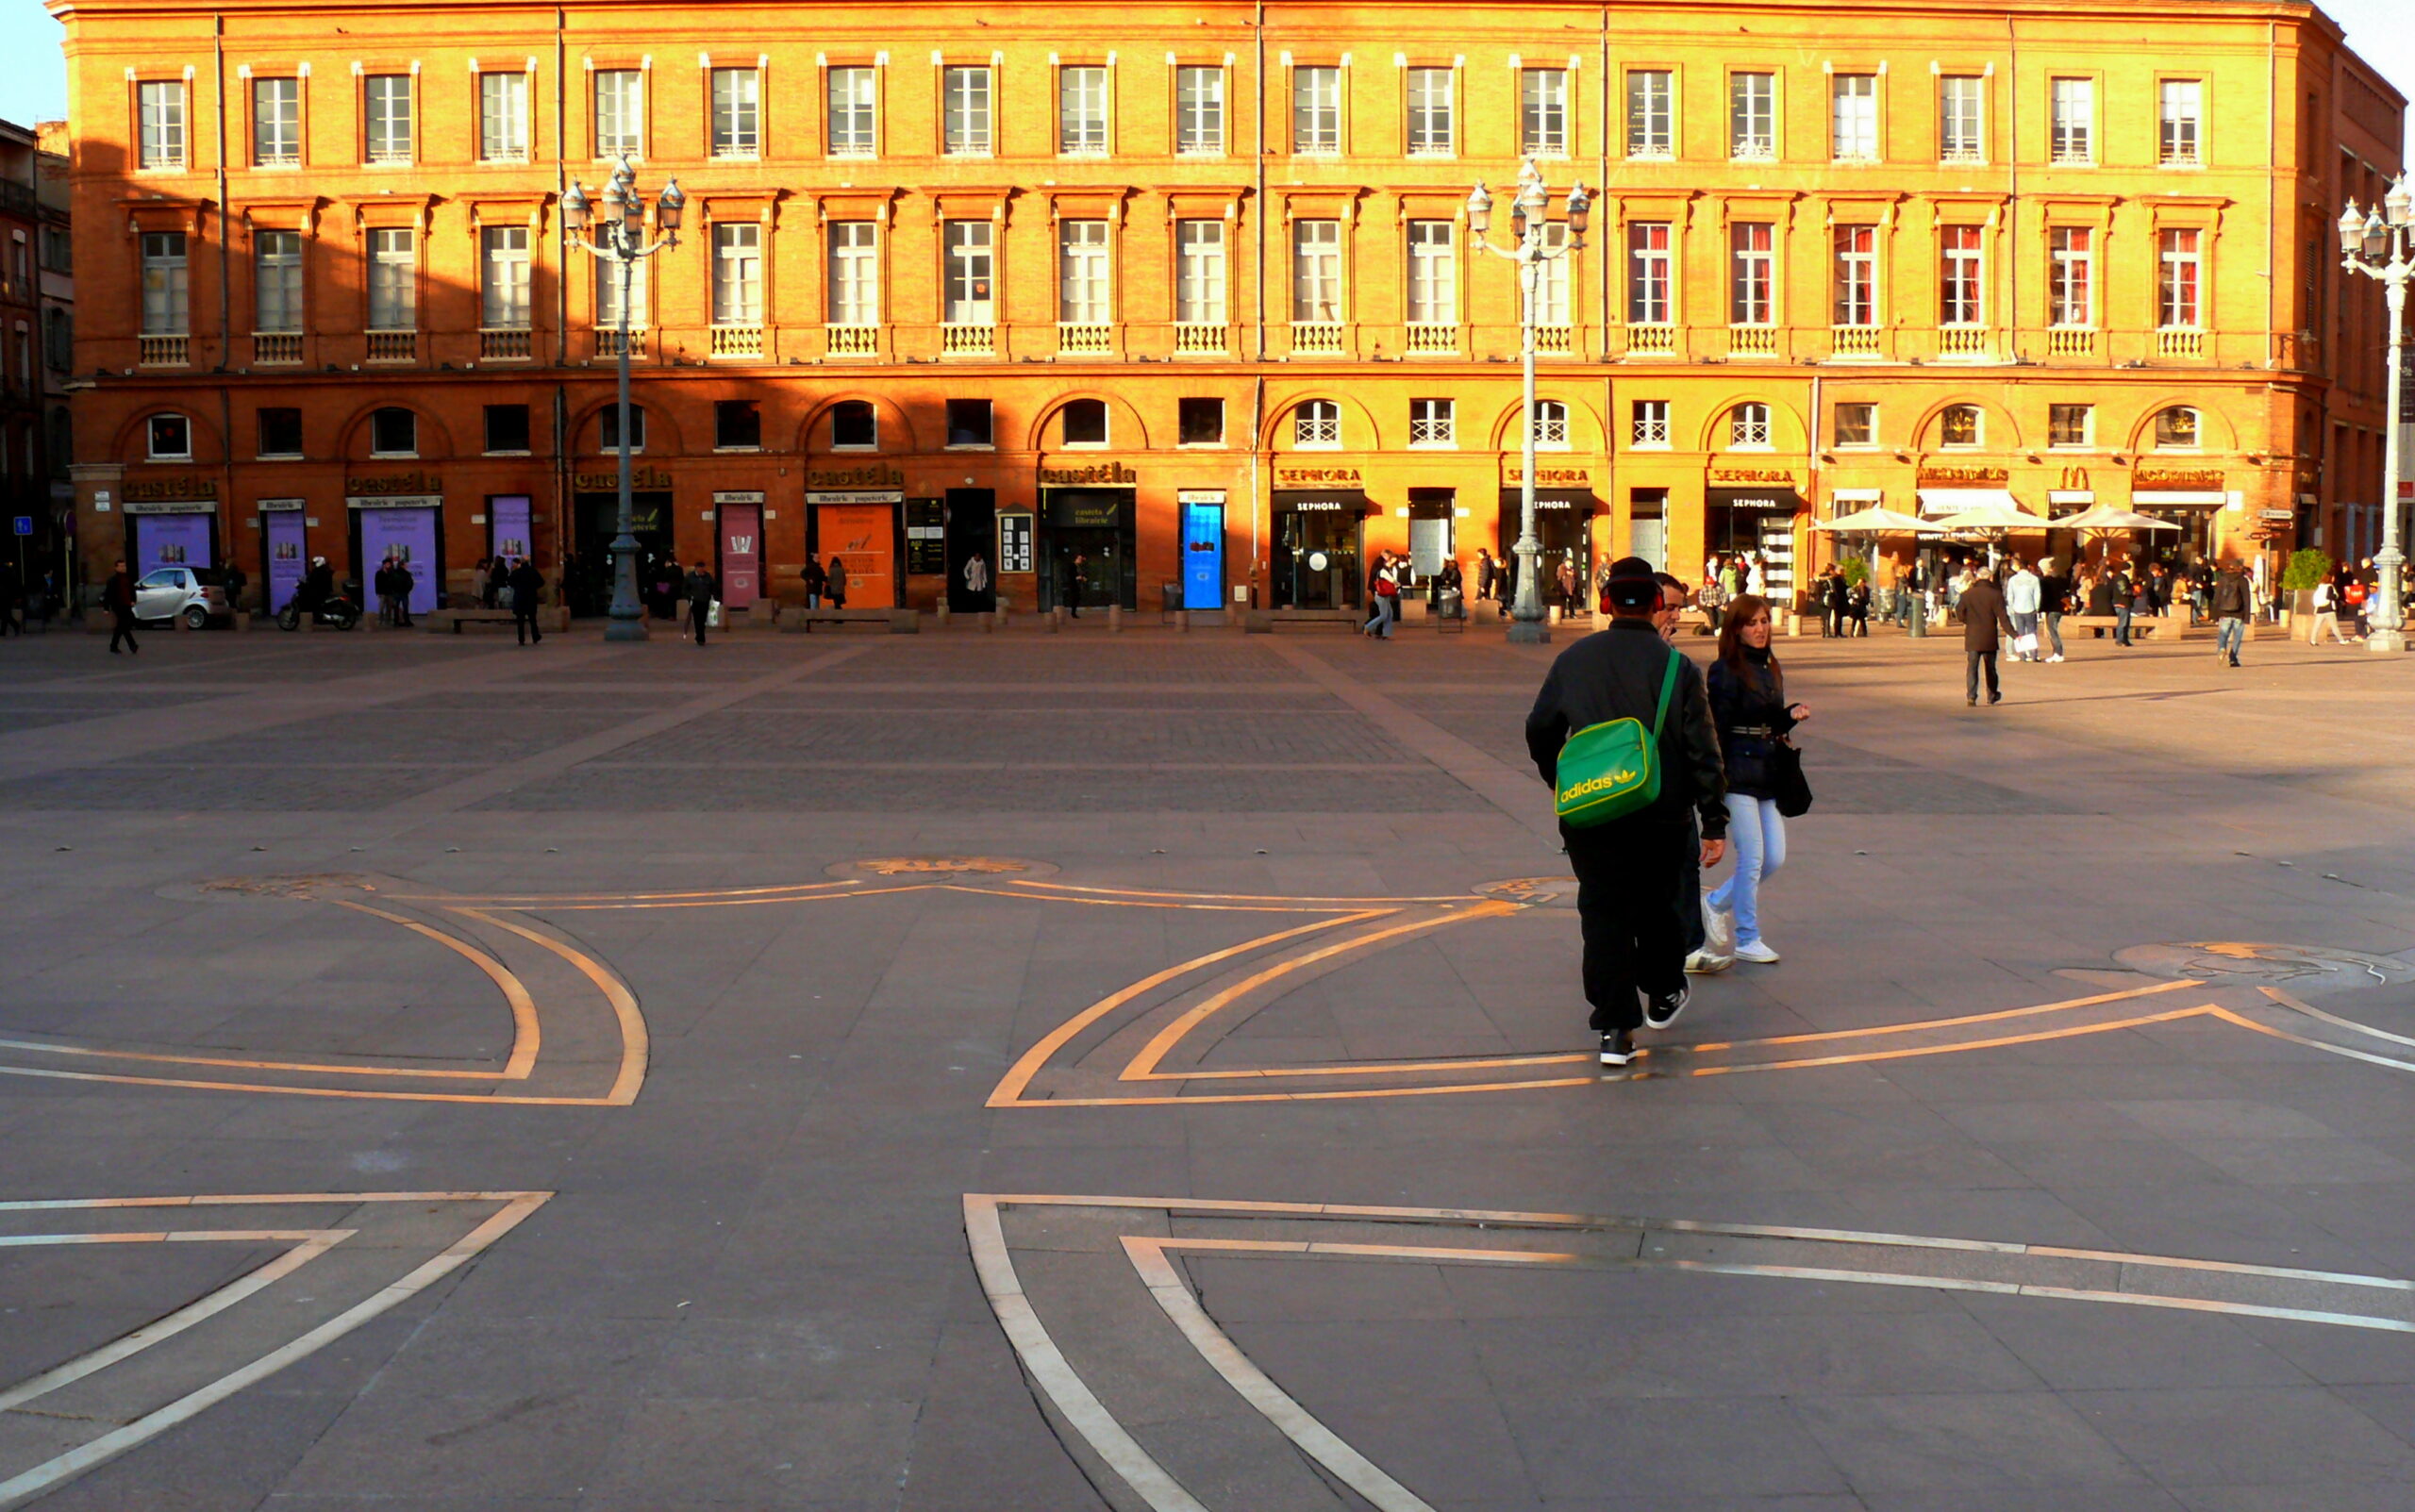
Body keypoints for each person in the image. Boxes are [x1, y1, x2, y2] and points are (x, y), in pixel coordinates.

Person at [1526, 557, 1727, 1070]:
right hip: (1662, 810)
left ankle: (1615, 1030)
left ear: (1606, 602)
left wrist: (1560, 778)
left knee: (1603, 913)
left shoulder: (1574, 659)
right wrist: (1714, 820)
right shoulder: (1677, 667)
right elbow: (1703, 749)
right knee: (1660, 904)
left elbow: (1540, 728)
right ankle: (1662, 989)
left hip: (1591, 809)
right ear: (1657, 603)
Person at [1704, 594, 1808, 965]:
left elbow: (1770, 720)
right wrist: (1716, 777)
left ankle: (1715, 903)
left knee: (1773, 857)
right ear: (1736, 629)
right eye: (1752, 623)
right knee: (1752, 857)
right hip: (1737, 769)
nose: (1760, 629)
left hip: (1766, 768)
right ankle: (1748, 937)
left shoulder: (1769, 666)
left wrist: (1790, 716)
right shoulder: (1725, 670)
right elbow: (1717, 725)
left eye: (1764, 621)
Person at [1654, 574, 1728, 977]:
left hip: (1667, 789)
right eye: (1669, 607)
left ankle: (1688, 947)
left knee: (1684, 870)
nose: (1676, 617)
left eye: (1679, 608)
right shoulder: (1672, 667)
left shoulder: (1675, 662)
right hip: (1639, 790)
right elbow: (1701, 744)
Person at [1960, 559, 2016, 706]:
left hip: (1972, 635)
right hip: (1989, 635)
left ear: (1977, 577)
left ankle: (1971, 696)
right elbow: (2003, 618)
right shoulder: (1996, 594)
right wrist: (2014, 634)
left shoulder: (1967, 594)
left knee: (1972, 667)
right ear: (1990, 577)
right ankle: (1992, 695)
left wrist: (1967, 621)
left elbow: (1959, 612)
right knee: (1990, 667)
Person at [2210, 559, 2250, 667]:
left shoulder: (2222, 579)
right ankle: (2233, 658)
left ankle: (2222, 648)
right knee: (2237, 637)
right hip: (2239, 613)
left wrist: (2214, 615)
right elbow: (2246, 599)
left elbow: (2217, 598)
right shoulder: (2243, 580)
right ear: (2239, 568)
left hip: (2224, 612)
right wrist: (2247, 617)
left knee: (2223, 634)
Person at [2003, 557, 2042, 662]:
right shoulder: (2034, 579)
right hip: (2030, 608)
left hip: (2017, 608)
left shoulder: (2013, 579)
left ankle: (2022, 655)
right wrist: (2036, 607)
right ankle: (2033, 655)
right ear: (2028, 567)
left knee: (2020, 632)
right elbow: (2037, 594)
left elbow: (2010, 595)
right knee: (2032, 632)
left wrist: (2011, 607)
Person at [2036, 557, 2070, 662]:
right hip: (2058, 608)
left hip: (2051, 608)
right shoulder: (2058, 580)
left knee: (2052, 631)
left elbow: (2043, 597)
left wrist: (2039, 609)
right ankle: (2056, 653)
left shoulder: (2043, 582)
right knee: (2053, 630)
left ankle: (2058, 653)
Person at [105, 558, 139, 654]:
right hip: (118, 605)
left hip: (127, 604)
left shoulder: (128, 578)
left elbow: (132, 591)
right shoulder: (112, 580)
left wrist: (133, 600)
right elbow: (108, 594)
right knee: (123, 625)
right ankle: (132, 645)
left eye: (124, 566)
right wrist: (106, 607)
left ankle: (114, 646)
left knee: (122, 626)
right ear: (116, 568)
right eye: (121, 566)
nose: (123, 568)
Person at [509, 557, 545, 645]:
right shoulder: (533, 571)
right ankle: (535, 636)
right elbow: (541, 582)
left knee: (520, 620)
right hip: (530, 597)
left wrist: (517, 587)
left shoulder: (516, 572)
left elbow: (510, 582)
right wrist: (533, 587)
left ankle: (521, 639)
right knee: (532, 619)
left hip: (520, 597)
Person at [684, 559, 717, 646]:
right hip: (695, 601)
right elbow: (685, 588)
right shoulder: (690, 577)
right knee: (697, 619)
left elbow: (712, 586)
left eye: (702, 568)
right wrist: (689, 596)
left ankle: (699, 636)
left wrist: (711, 595)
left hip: (705, 600)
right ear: (696, 568)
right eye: (699, 568)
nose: (701, 570)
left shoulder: (707, 576)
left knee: (703, 619)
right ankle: (701, 638)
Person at [2308, 577, 2350, 644]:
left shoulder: (2320, 587)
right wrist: (2336, 596)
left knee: (2316, 626)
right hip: (2329, 609)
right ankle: (2341, 640)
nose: (2334, 579)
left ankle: (2313, 640)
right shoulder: (2330, 587)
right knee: (2334, 626)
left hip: (2320, 609)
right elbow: (2329, 596)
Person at [391, 557, 415, 627]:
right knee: (405, 607)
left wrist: (393, 590)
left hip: (396, 593)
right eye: (405, 564)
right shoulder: (407, 574)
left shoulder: (394, 573)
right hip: (404, 593)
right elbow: (410, 583)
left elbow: (391, 583)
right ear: (402, 565)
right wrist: (407, 590)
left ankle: (396, 621)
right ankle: (407, 621)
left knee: (396, 608)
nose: (406, 566)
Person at [1065, 552, 1089, 618]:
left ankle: (1074, 612)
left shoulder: (1078, 566)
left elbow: (1079, 574)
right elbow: (1070, 575)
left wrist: (1082, 578)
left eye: (1081, 559)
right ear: (1075, 559)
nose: (1080, 560)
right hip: (1073, 585)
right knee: (1074, 598)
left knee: (1077, 598)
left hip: (1077, 585)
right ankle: (1073, 612)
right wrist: (1078, 577)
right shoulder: (1072, 566)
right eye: (1079, 559)